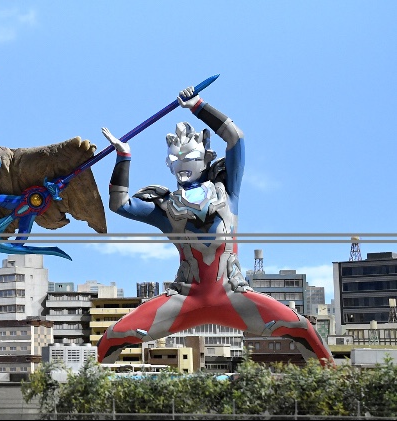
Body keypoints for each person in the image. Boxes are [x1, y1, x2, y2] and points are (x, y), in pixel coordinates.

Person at [97, 87, 333, 365]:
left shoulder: (227, 191)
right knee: (113, 337)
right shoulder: (166, 207)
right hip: (185, 297)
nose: (182, 165)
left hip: (233, 293)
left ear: (205, 158)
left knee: (302, 328)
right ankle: (89, 386)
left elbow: (235, 138)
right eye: (175, 159)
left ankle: (335, 382)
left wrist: (198, 105)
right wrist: (123, 157)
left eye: (189, 158)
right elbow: (120, 204)